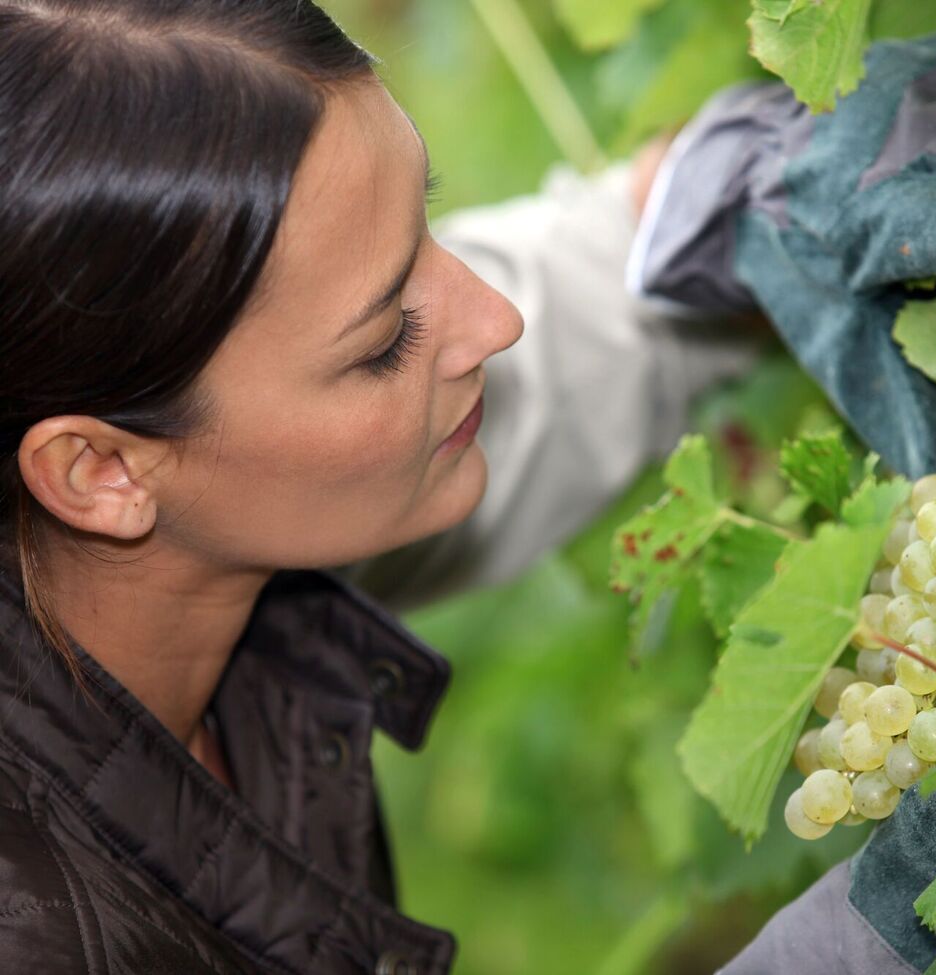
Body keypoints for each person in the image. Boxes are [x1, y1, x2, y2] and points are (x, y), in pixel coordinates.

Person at [0, 2, 764, 972]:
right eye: (384, 342)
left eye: (430, 229)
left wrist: (687, 225)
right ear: (100, 472)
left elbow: (511, 356)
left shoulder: (165, 531)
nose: (496, 322)